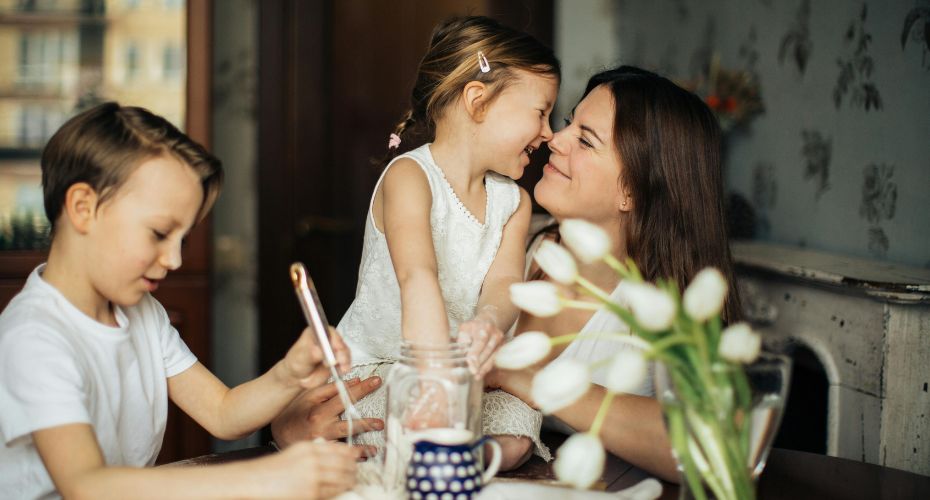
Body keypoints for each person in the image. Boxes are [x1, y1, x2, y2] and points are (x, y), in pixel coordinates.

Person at [0, 102, 360, 499]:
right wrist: (265, 478)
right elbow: (87, 486)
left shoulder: (141, 312)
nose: (174, 260)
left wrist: (289, 373)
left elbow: (223, 413)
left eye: (182, 240)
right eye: (158, 233)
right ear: (84, 208)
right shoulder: (34, 337)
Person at [485, 65, 743, 482]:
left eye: (585, 139)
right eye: (570, 122)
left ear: (632, 191)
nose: (555, 137)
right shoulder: (511, 240)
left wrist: (533, 380)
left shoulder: (665, 306)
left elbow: (712, 447)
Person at [334, 15, 560, 469]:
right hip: (384, 369)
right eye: (541, 112)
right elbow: (417, 277)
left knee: (519, 425)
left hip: (463, 376)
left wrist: (490, 323)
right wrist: (435, 380)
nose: (549, 133)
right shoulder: (410, 177)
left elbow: (503, 285)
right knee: (396, 423)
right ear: (478, 101)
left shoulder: (513, 201)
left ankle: (459, 456)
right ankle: (438, 450)